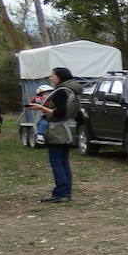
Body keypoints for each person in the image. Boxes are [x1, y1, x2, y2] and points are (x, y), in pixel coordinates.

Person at [27, 67, 83, 203]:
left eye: (52, 76)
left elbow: (59, 113)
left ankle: (60, 193)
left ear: (59, 77)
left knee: (57, 163)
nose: (50, 78)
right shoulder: (72, 91)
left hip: (57, 131)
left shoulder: (61, 92)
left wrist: (40, 108)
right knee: (64, 162)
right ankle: (66, 192)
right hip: (68, 130)